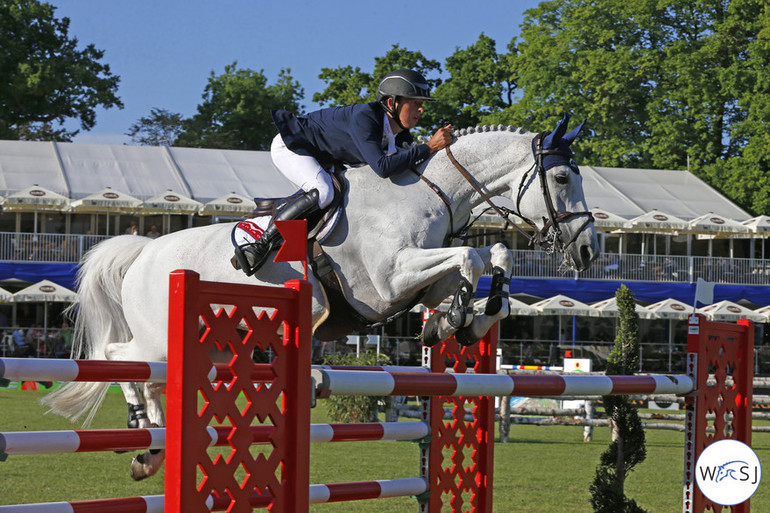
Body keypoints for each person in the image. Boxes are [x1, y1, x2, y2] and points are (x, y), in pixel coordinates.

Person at [232, 69, 454, 275]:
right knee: (323, 191)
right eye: (415, 103)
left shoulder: (401, 135)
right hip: (292, 146)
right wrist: (429, 147)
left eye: (421, 103)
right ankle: (260, 244)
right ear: (391, 102)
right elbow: (383, 168)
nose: (421, 109)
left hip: (324, 159)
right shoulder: (365, 118)